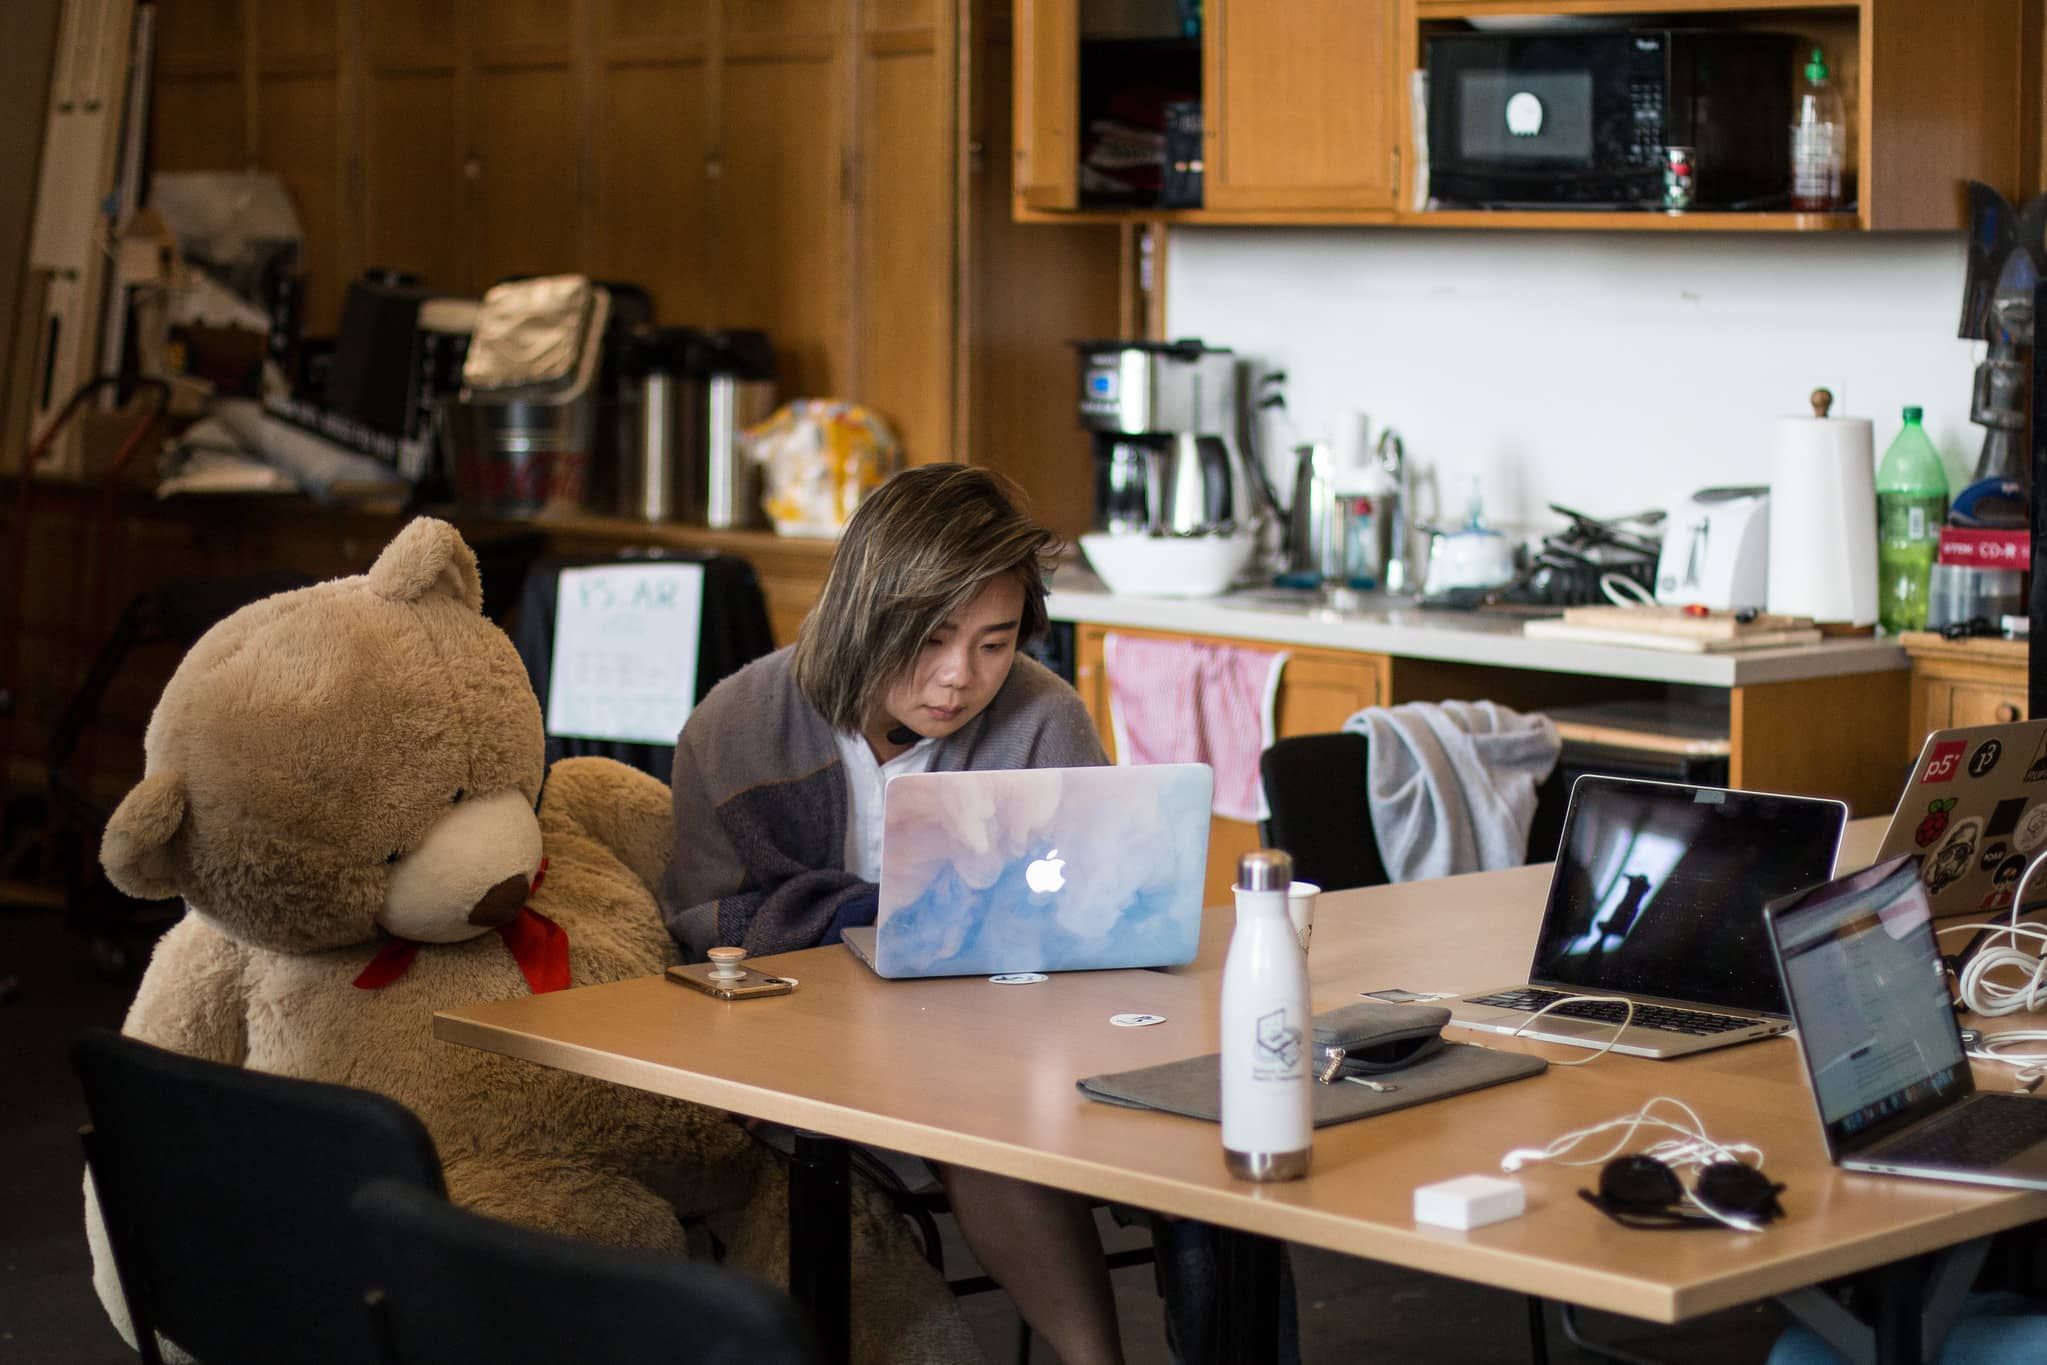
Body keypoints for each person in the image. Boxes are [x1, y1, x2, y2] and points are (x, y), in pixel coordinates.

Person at [659, 463, 1126, 1365]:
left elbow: (1094, 913)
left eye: (994, 645)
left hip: (991, 1049)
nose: (959, 680)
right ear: (864, 613)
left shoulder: (1042, 720)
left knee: (980, 1105)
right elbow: (704, 923)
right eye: (933, 638)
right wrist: (894, 921)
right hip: (784, 1054)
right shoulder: (735, 725)